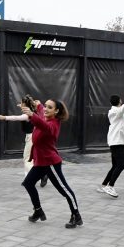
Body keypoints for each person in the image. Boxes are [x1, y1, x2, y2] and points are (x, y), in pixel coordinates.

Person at [20, 98, 82, 229]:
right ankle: (38, 211)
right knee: (28, 183)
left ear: (57, 111)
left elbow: (44, 125)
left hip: (50, 163)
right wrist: (36, 104)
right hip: (41, 162)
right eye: (46, 106)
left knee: (63, 189)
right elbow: (41, 110)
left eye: (50, 107)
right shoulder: (45, 115)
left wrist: (32, 115)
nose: (46, 109)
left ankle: (76, 215)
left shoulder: (54, 124)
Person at [0, 94, 48, 186]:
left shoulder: (27, 115)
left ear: (25, 104)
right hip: (36, 136)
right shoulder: (34, 111)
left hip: (31, 137)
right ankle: (39, 175)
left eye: (21, 103)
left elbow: (16, 117)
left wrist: (4, 117)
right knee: (34, 158)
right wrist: (22, 105)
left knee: (27, 158)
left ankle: (35, 177)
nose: (20, 105)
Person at [97, 95, 124, 198]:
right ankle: (110, 186)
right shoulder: (114, 112)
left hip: (118, 142)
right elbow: (121, 111)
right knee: (121, 165)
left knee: (115, 165)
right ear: (119, 101)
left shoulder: (118, 111)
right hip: (116, 142)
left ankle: (103, 185)